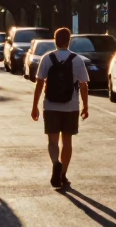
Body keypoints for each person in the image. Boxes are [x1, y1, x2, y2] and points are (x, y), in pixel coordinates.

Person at [31, 27, 89, 188]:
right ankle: (63, 174)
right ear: (69, 40)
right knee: (67, 140)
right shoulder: (77, 59)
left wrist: (34, 106)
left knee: (52, 140)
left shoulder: (47, 58)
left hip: (50, 105)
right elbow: (83, 85)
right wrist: (85, 106)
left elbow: (39, 82)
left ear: (55, 40)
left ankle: (56, 162)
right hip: (71, 106)